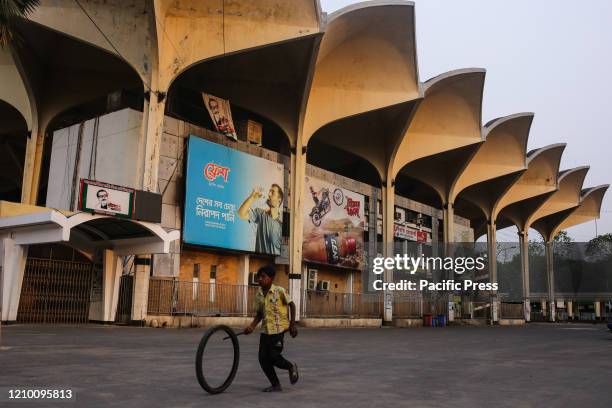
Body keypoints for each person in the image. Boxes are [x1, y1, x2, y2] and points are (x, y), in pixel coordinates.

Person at [244, 265, 299, 392]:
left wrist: (292, 325)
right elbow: (260, 314)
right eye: (259, 277)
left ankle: (291, 367)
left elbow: (292, 305)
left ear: (271, 278)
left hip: (278, 330)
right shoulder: (258, 294)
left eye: (263, 277)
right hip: (265, 331)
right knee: (262, 358)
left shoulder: (279, 291)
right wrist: (251, 327)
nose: (260, 279)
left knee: (273, 356)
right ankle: (276, 385)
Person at [237, 184, 283, 255]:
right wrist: (252, 197)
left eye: (272, 192)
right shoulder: (260, 214)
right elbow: (241, 213)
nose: (269, 194)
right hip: (260, 262)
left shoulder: (281, 226)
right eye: (269, 191)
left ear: (279, 200)